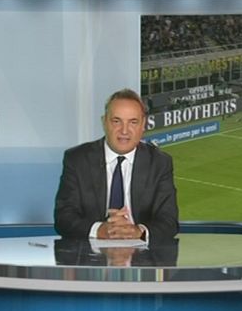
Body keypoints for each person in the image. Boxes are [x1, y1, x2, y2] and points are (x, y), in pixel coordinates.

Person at [54, 88, 179, 242]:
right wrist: (99, 230)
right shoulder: (77, 159)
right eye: (116, 121)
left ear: (143, 125)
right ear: (104, 122)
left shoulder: (159, 163)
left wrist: (138, 232)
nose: (124, 131)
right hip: (90, 252)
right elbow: (64, 217)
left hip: (142, 253)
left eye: (133, 122)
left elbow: (169, 221)